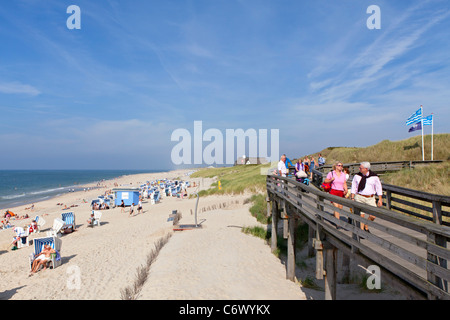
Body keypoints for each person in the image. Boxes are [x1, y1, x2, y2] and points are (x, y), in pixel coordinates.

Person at [350, 161, 383, 233]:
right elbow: (354, 187)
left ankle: (366, 225)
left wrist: (380, 199)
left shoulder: (374, 177)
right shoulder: (357, 176)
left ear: (366, 169)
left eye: (361, 168)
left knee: (373, 215)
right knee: (361, 215)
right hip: (359, 197)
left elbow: (378, 188)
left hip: (370, 198)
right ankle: (362, 231)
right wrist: (352, 197)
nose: (359, 169)